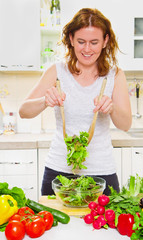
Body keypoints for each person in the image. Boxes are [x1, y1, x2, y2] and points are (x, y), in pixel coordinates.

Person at [19, 8, 132, 196]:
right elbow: (24, 111)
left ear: (105, 41)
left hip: (101, 172)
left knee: (106, 226)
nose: (87, 49)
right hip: (59, 171)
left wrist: (111, 108)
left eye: (94, 42)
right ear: (71, 39)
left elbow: (126, 124)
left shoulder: (115, 75)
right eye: (81, 42)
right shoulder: (56, 71)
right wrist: (45, 101)